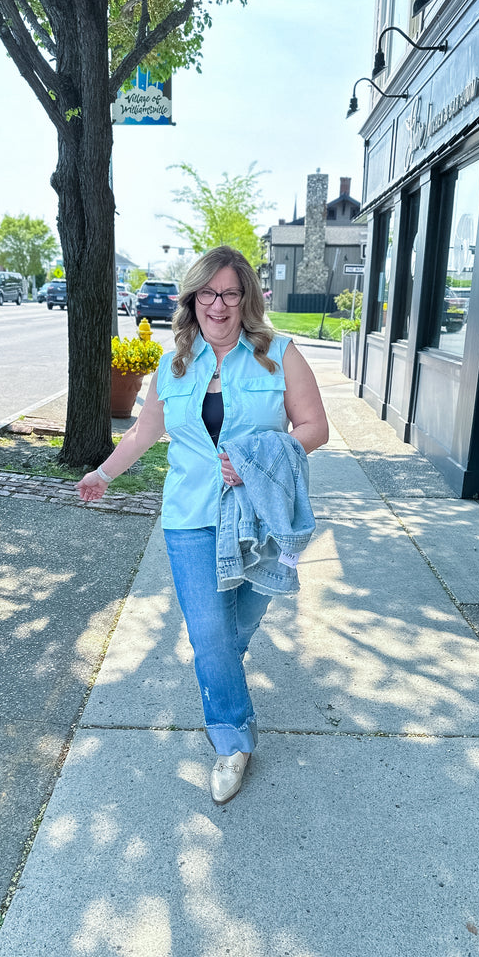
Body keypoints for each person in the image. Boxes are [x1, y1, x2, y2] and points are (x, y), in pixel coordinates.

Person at [77, 246, 328, 804]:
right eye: (208, 294)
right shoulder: (174, 365)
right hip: (190, 516)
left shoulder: (279, 355)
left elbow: (315, 427)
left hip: (262, 519)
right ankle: (232, 740)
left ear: (246, 300)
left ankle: (220, 682)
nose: (219, 304)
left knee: (228, 636)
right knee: (210, 634)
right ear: (193, 300)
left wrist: (257, 458)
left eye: (230, 293)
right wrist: (103, 472)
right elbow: (144, 434)